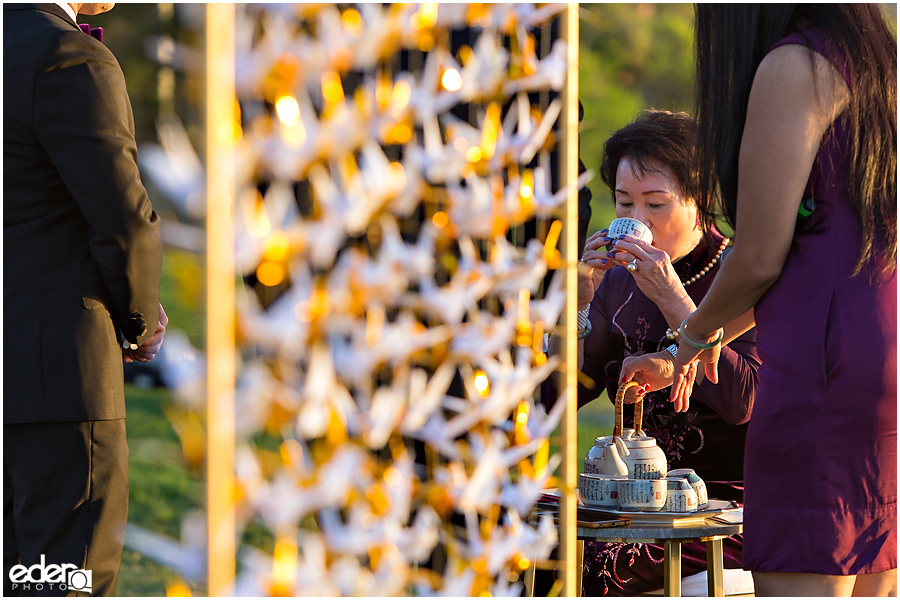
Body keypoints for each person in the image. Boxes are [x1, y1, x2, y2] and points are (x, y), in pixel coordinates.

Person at [662, 5, 896, 596]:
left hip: (825, 365)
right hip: (880, 341)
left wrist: (691, 334)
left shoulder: (795, 66)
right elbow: (805, 255)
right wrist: (697, 339)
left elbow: (762, 255)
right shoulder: (876, 60)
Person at [541, 109, 760, 596]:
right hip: (632, 498)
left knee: (604, 560)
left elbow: (742, 399)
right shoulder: (615, 281)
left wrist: (670, 296)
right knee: (530, 542)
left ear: (700, 202)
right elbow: (560, 400)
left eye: (656, 204)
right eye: (623, 205)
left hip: (722, 505)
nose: (637, 222)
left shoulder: (744, 271)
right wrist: (575, 308)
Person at [4, 3, 166, 596]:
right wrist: (140, 320)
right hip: (60, 386)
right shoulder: (66, 57)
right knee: (64, 583)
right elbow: (126, 220)